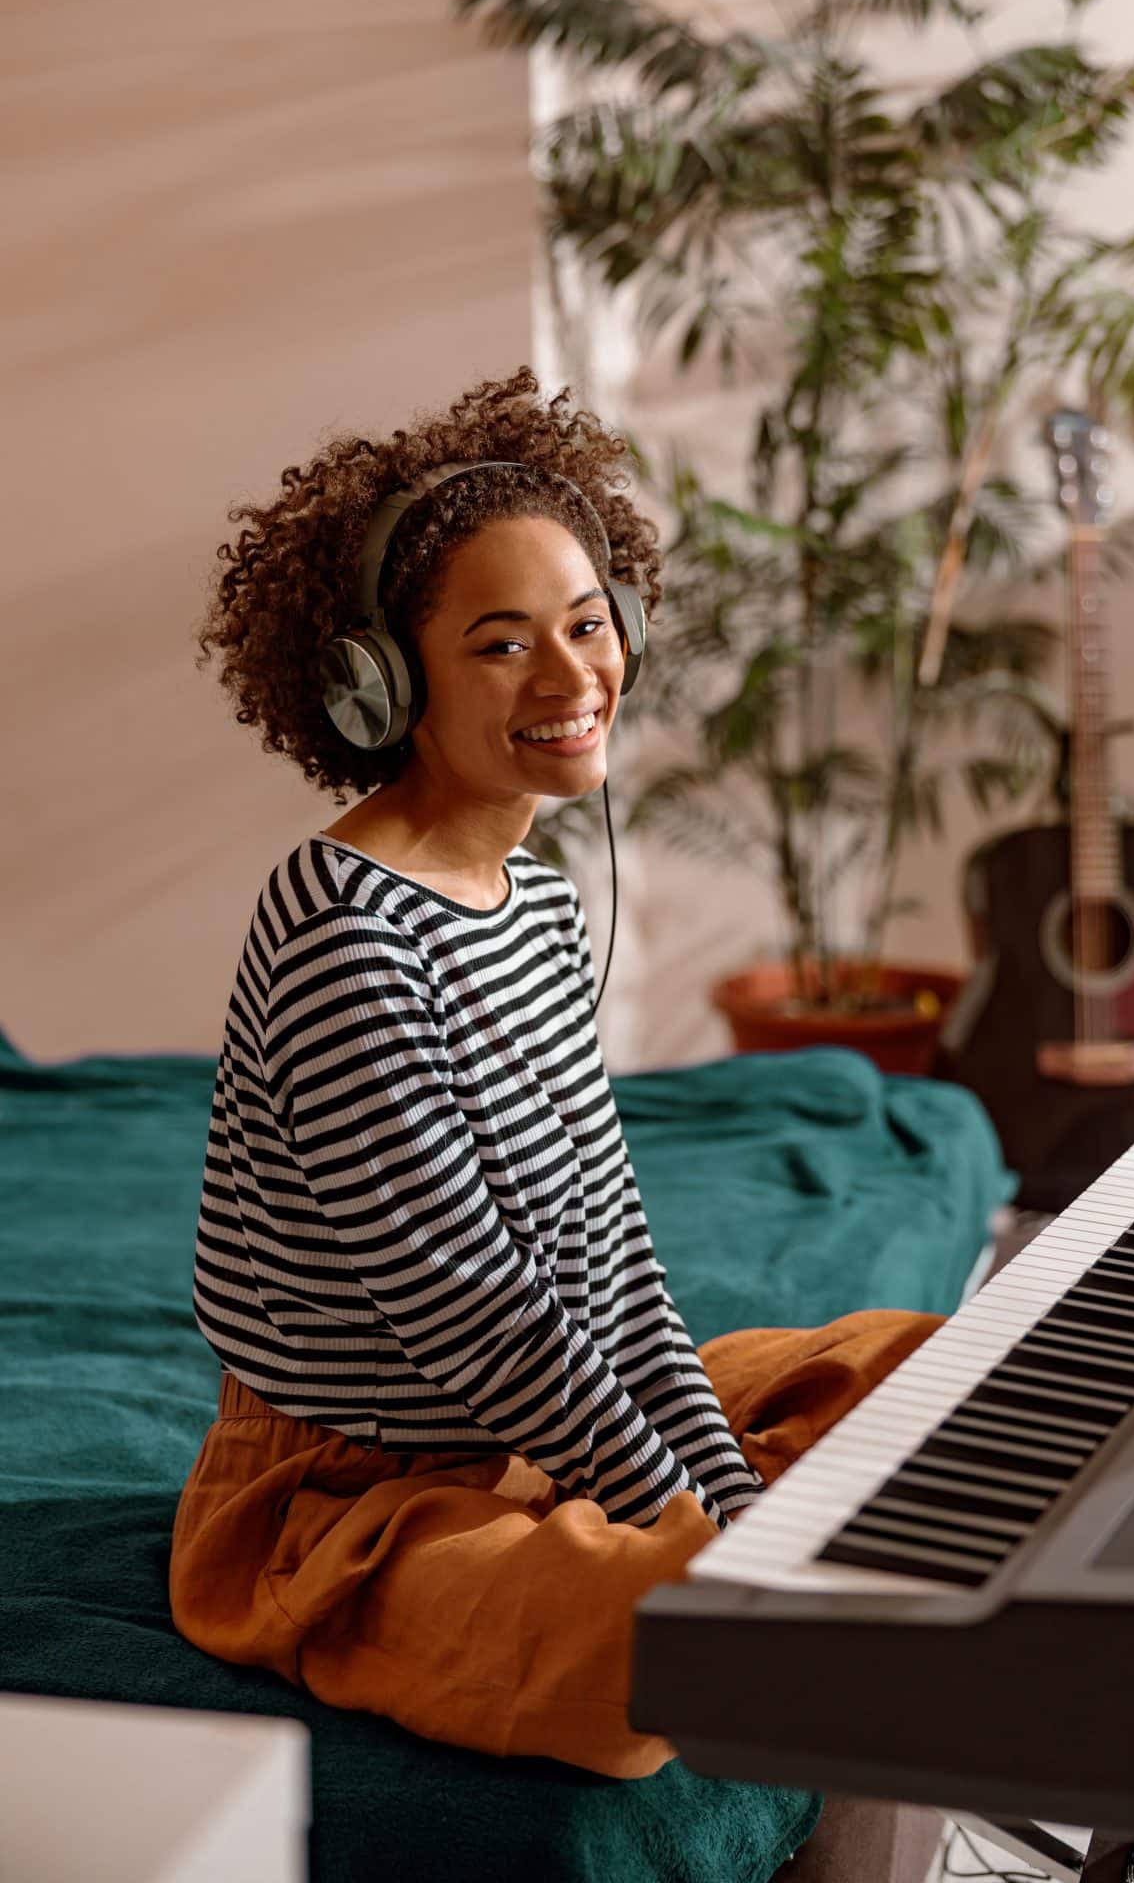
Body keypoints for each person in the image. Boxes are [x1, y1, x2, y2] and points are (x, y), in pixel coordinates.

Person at [169, 365, 940, 1776]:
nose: (574, 677)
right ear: (378, 686)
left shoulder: (528, 896)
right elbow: (479, 1323)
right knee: (660, 1648)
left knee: (928, 1366)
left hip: (532, 1426)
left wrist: (712, 1490)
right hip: (352, 1500)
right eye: (502, 644)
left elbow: (611, 1262)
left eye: (588, 624)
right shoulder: (348, 932)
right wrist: (701, 1540)